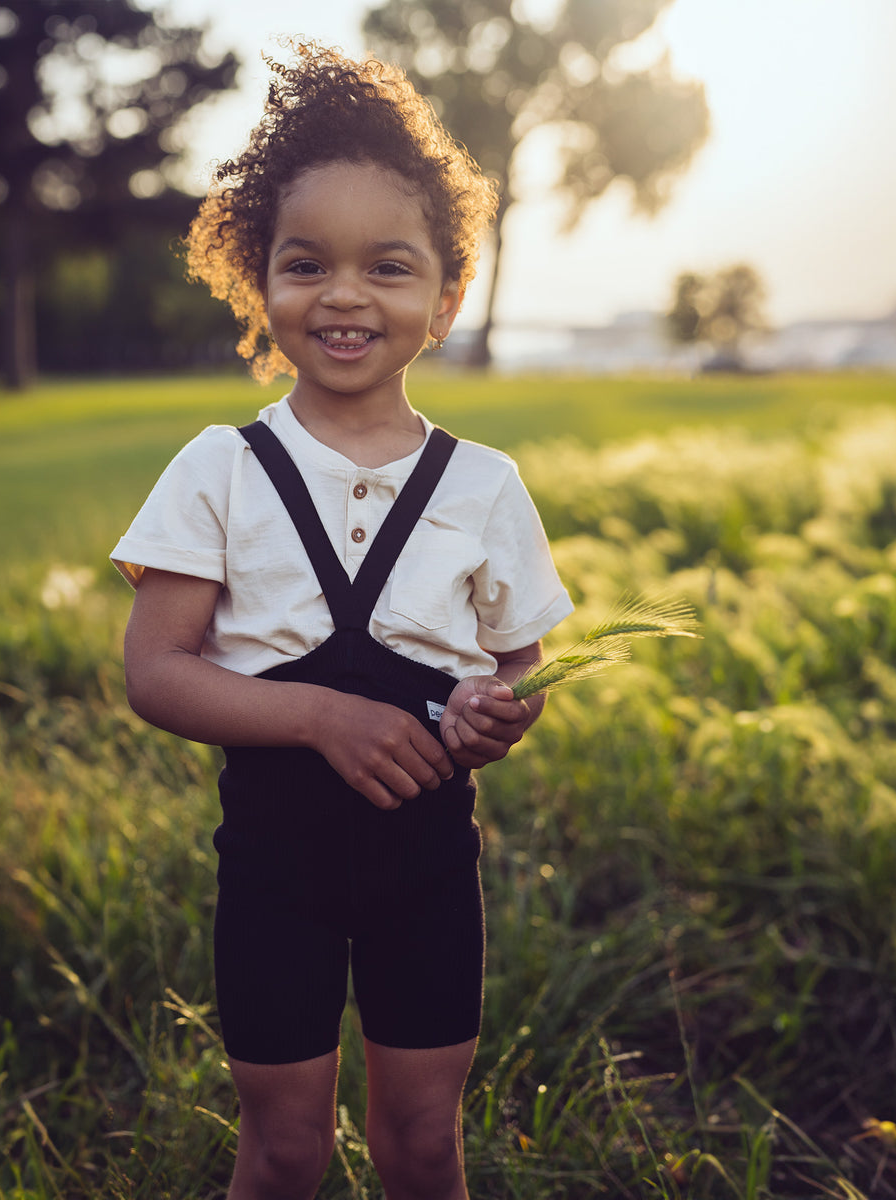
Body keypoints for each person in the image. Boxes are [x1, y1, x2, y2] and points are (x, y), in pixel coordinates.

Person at [111, 43, 573, 1200]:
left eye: (391, 267)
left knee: (424, 1142)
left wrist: (497, 711)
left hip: (428, 865)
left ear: (448, 296)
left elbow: (521, 660)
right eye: (306, 264)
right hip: (275, 866)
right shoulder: (221, 468)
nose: (347, 296)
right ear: (257, 278)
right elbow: (156, 672)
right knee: (284, 1147)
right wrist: (317, 716)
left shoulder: (487, 486)